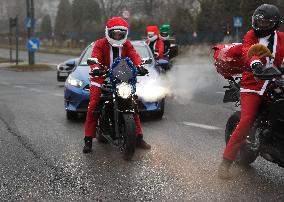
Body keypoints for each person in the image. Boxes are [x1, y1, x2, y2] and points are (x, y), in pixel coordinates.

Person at [218, 4, 284, 179]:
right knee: (246, 121)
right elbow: (248, 50)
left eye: (264, 23)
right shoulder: (251, 35)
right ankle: (225, 164)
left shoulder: (281, 38)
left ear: (274, 24)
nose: (260, 25)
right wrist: (255, 63)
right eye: (258, 21)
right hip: (253, 82)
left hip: (275, 80)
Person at [83, 16, 151, 153]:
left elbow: (134, 55)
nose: (118, 36)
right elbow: (95, 57)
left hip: (121, 78)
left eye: (121, 33)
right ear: (109, 32)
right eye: (115, 33)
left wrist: (139, 66)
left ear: (125, 33)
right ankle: (88, 139)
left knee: (132, 103)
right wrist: (95, 67)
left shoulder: (127, 44)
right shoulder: (100, 44)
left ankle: (138, 137)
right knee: (94, 104)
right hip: (101, 77)